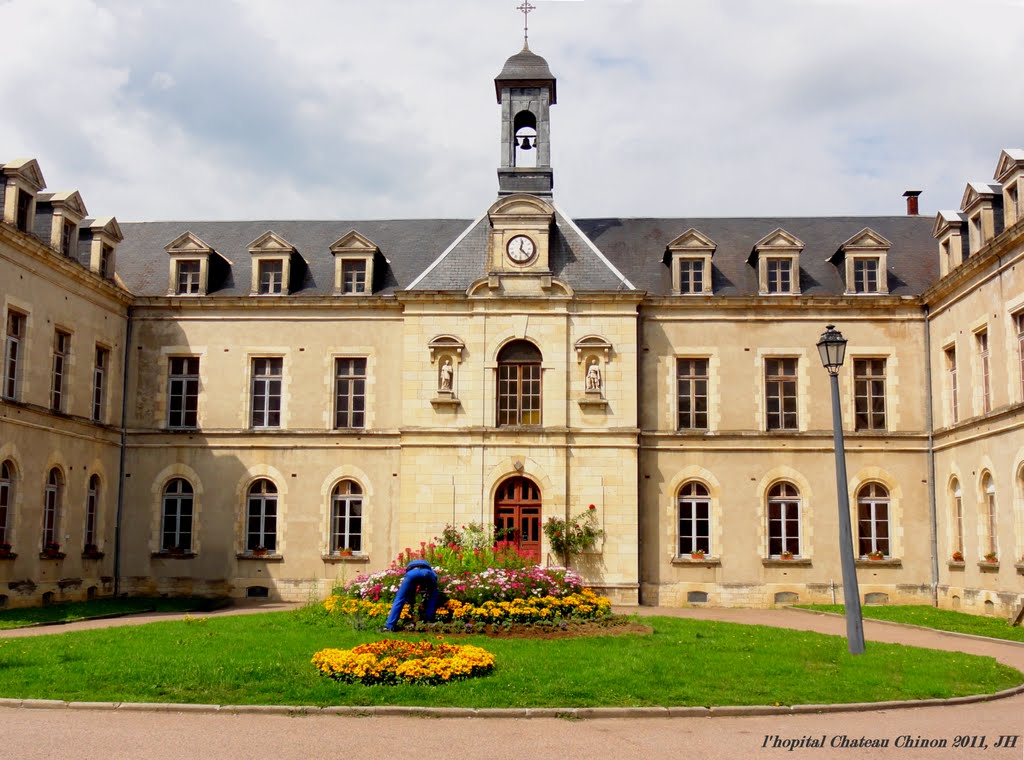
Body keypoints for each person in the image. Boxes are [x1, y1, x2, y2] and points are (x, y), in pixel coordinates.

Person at [383, 559, 440, 631]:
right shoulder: (429, 568)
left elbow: (411, 588)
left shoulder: (410, 567)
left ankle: (389, 626)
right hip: (427, 573)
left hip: (411, 574)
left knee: (400, 598)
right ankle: (429, 619)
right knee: (433, 594)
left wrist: (409, 600)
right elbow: (435, 577)